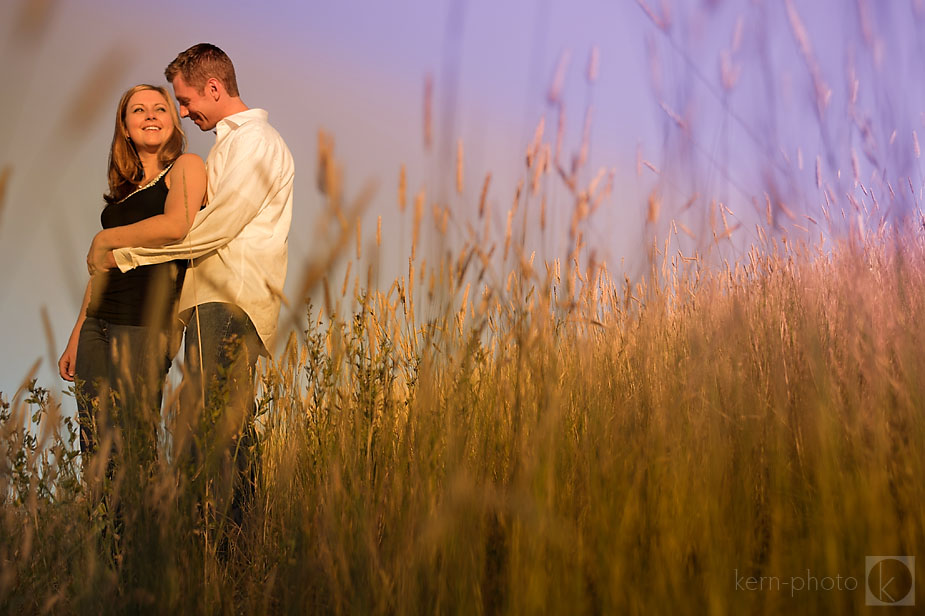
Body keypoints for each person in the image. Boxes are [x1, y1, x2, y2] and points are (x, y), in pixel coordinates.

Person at [89, 43, 295, 534]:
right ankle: (224, 547)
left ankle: (236, 548)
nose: (183, 112)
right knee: (215, 427)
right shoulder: (231, 144)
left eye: (183, 101)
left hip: (231, 299)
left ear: (214, 88)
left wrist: (128, 252)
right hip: (212, 302)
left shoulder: (255, 142)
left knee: (225, 430)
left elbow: (217, 227)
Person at [58, 84, 207, 464]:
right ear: (125, 127)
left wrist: (104, 237)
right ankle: (105, 525)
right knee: (95, 441)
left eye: (161, 108)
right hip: (98, 324)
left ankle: (143, 523)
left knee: (132, 440)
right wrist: (78, 332)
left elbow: (177, 225)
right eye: (139, 110)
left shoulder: (186, 167)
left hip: (145, 324)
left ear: (174, 121)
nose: (151, 115)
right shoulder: (121, 193)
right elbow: (101, 269)